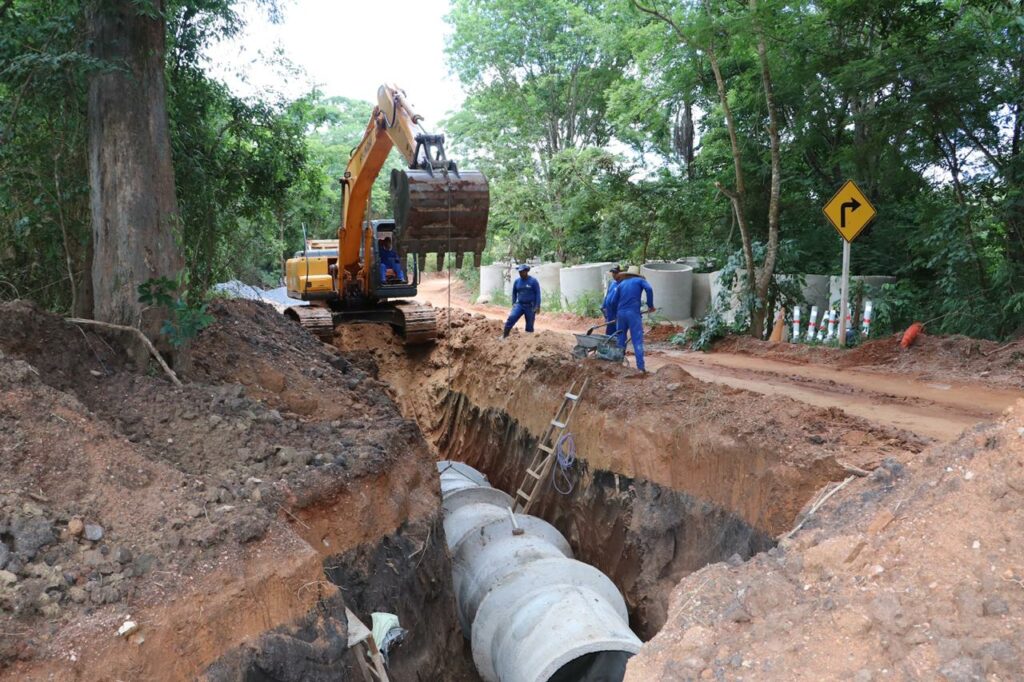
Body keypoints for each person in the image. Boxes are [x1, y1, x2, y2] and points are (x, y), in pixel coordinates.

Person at [606, 268, 655, 372]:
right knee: (637, 340)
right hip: (633, 314)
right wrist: (650, 306)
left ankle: (618, 365)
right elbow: (649, 289)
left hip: (621, 315)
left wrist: (616, 314)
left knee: (620, 339)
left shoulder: (621, 284)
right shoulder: (640, 281)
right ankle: (640, 368)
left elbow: (613, 301)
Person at [502, 264, 541, 338]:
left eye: (522, 272)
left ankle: (527, 341)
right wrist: (513, 303)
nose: (521, 273)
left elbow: (538, 294)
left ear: (526, 271)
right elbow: (514, 292)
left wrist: (537, 306)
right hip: (519, 305)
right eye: (519, 272)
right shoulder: (517, 282)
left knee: (529, 325)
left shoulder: (533, 281)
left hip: (530, 306)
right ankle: (505, 335)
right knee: (512, 317)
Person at [601, 265, 622, 336]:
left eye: (615, 273)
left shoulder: (622, 284)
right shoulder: (612, 283)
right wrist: (603, 305)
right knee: (609, 324)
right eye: (613, 272)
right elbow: (607, 294)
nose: (613, 274)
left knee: (616, 325)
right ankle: (609, 338)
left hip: (616, 309)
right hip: (609, 309)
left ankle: (617, 340)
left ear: (620, 273)